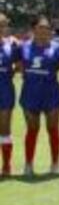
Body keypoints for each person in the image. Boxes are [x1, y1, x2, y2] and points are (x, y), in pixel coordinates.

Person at [18, 15, 59, 176]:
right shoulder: (23, 47)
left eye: (47, 28)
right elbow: (19, 66)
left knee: (53, 129)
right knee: (32, 129)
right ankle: (28, 164)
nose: (43, 30)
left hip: (51, 93)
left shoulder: (58, 49)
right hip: (30, 93)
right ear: (33, 29)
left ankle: (55, 164)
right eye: (40, 27)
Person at [0, 14, 21, 176]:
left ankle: (6, 165)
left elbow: (19, 67)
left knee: (5, 128)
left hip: (5, 90)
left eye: (2, 25)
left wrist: (9, 73)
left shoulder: (12, 45)